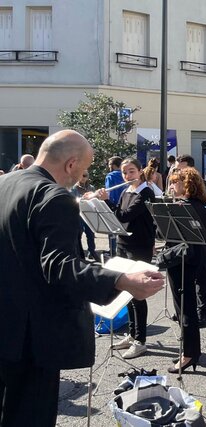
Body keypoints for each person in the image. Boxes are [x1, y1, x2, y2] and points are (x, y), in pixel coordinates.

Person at [0, 129, 164, 426]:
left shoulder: (5, 183)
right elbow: (59, 266)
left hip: (6, 326)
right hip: (31, 337)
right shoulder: (54, 197)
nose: (82, 176)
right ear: (71, 164)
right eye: (85, 168)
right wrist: (121, 280)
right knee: (29, 415)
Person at [97, 158, 157, 359]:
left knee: (138, 294)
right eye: (124, 172)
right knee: (126, 292)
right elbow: (118, 218)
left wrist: (106, 201)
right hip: (124, 243)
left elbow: (124, 216)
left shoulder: (146, 192)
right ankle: (132, 335)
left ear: (140, 171)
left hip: (139, 246)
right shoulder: (126, 191)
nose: (127, 176)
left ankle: (140, 341)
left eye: (131, 171)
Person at [165, 168, 206, 373]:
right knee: (186, 308)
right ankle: (191, 351)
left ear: (186, 185)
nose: (171, 186)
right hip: (193, 260)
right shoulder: (201, 206)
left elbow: (165, 233)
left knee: (185, 309)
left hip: (182, 261)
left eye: (175, 182)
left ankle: (190, 354)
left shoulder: (183, 207)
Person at [71, 172, 99, 261]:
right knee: (79, 233)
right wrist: (82, 198)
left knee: (90, 234)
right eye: (81, 175)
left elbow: (95, 200)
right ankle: (79, 253)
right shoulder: (73, 188)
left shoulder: (91, 188)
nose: (83, 178)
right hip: (79, 214)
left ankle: (92, 252)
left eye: (85, 176)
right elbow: (72, 201)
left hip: (89, 213)